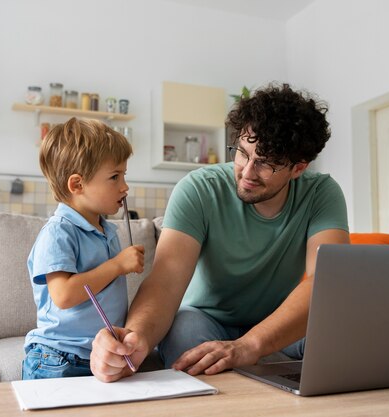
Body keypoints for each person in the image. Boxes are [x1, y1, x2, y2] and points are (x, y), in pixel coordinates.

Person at [90, 83, 349, 382]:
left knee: (340, 329)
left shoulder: (321, 193)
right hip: (204, 318)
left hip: (278, 321)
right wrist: (133, 340)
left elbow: (325, 281)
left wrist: (250, 345)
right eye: (243, 152)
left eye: (265, 163)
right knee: (184, 336)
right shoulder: (199, 188)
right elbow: (165, 280)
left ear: (298, 168)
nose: (247, 171)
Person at [22, 117, 145, 380]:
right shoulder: (58, 232)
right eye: (114, 176)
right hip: (58, 357)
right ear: (77, 185)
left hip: (98, 356)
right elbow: (64, 295)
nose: (125, 186)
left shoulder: (107, 230)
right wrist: (117, 265)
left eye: (124, 175)